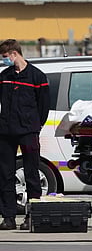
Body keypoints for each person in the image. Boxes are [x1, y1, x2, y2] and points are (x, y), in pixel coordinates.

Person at [0, 39, 50, 231]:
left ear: (14, 54)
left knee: (32, 174)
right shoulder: (5, 76)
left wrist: (35, 126)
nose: (4, 61)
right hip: (6, 132)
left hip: (28, 132)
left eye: (5, 57)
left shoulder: (37, 77)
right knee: (5, 175)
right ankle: (8, 216)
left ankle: (32, 216)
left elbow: (43, 106)